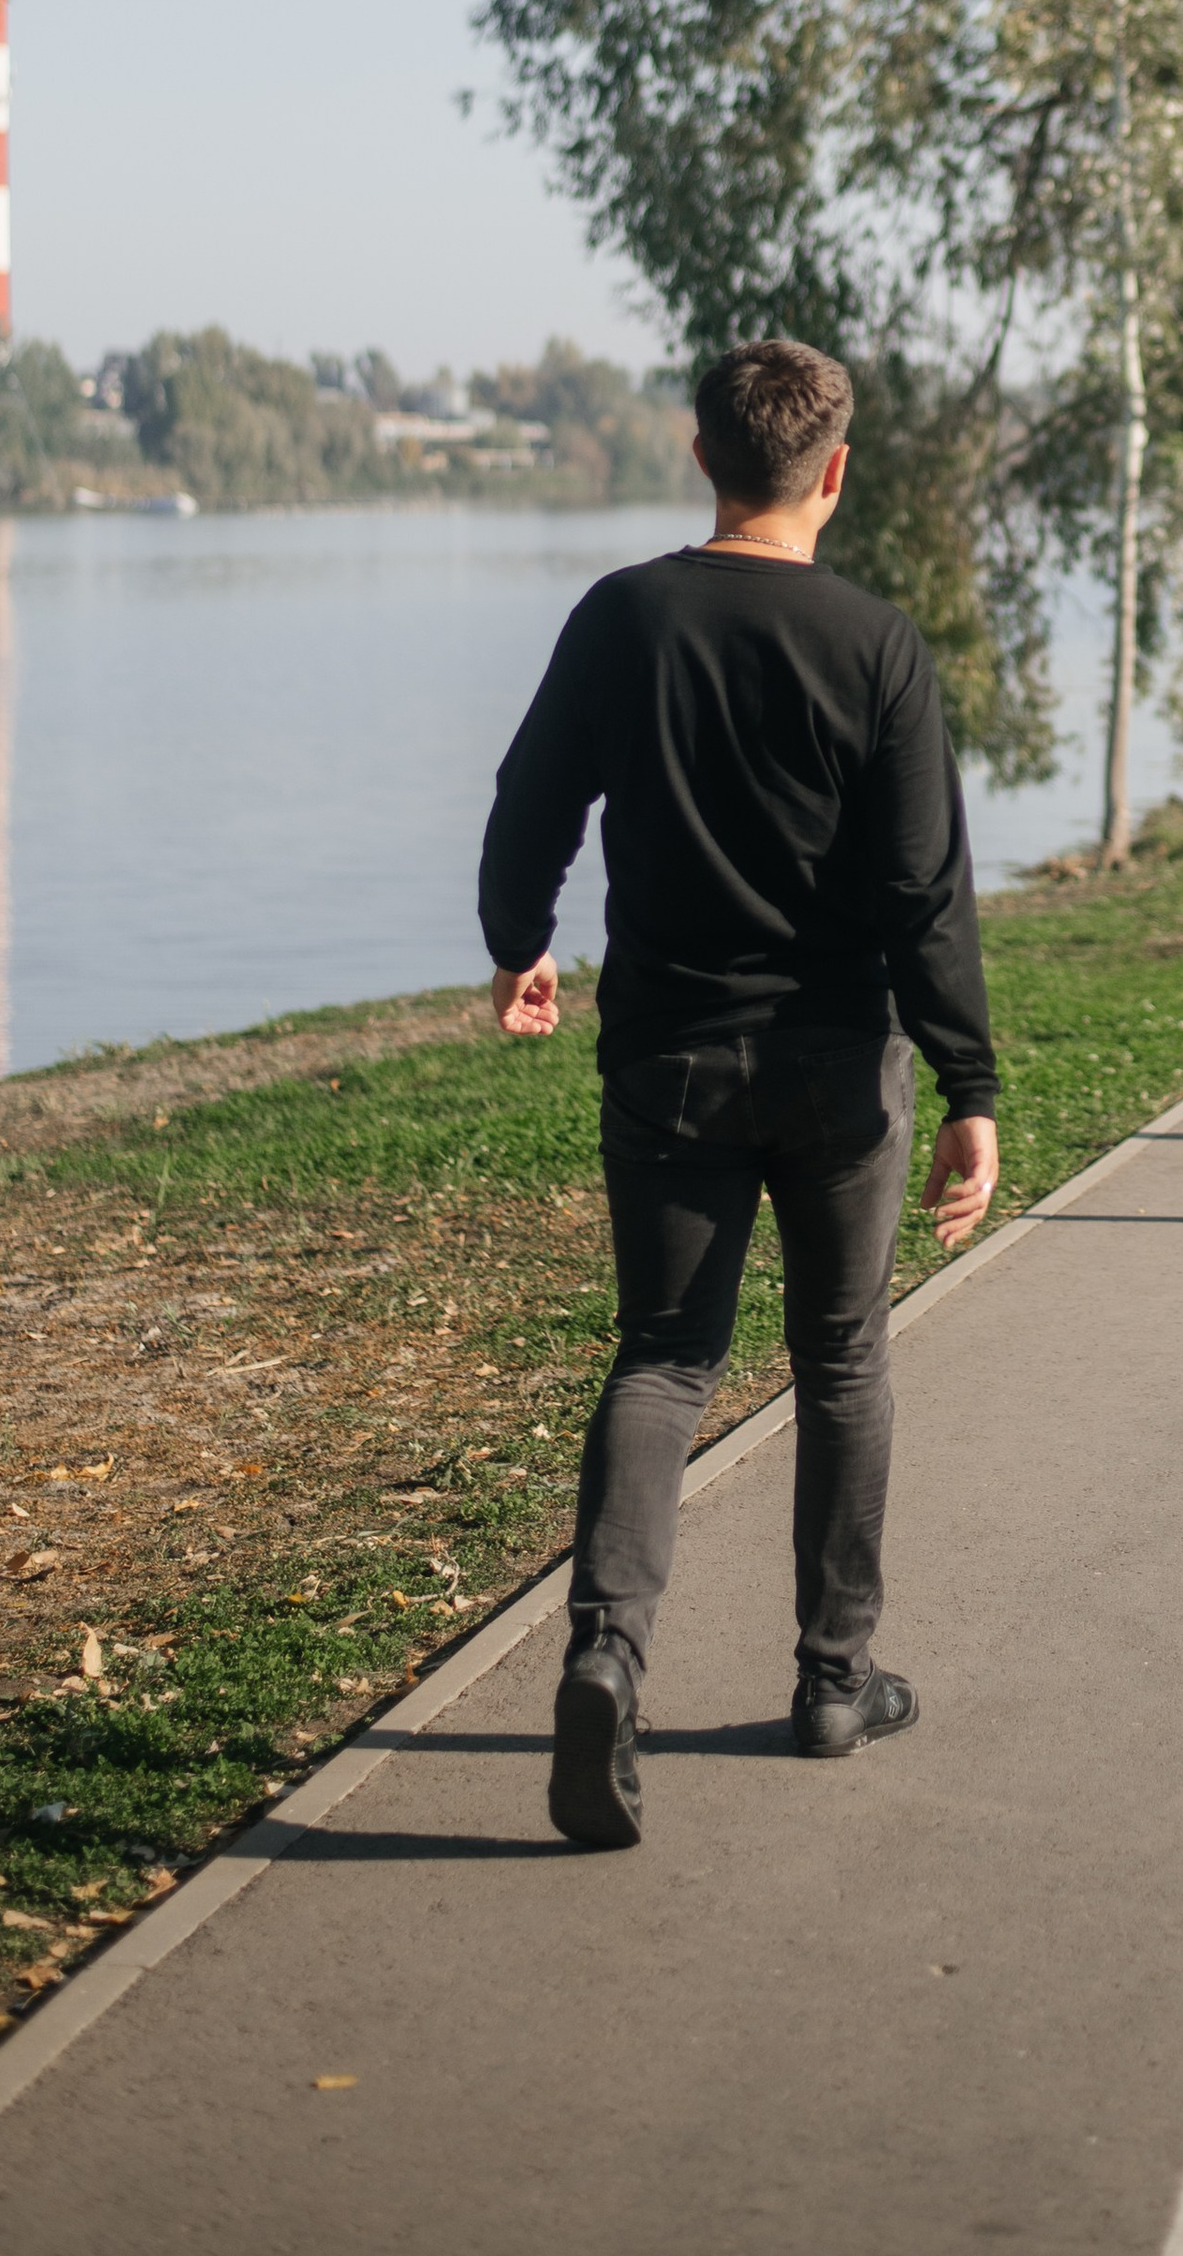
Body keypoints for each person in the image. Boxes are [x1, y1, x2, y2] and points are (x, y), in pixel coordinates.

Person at [478, 334, 1000, 1852]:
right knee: (841, 1359)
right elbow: (924, 887)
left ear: (701, 455)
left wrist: (521, 943)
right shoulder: (878, 643)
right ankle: (834, 1678)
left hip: (668, 1061)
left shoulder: (623, 617)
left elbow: (531, 801)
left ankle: (604, 1655)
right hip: (839, 1071)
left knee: (660, 1358)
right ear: (834, 469)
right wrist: (967, 1074)